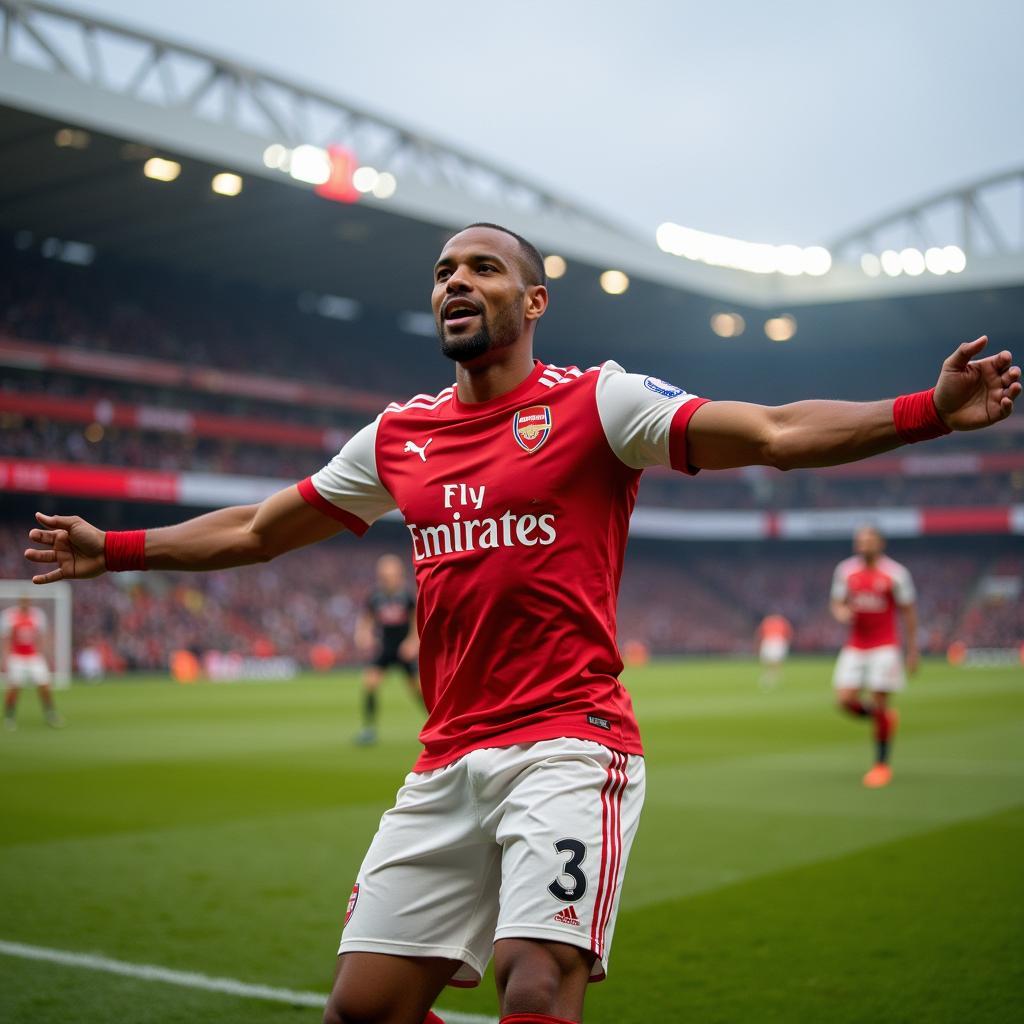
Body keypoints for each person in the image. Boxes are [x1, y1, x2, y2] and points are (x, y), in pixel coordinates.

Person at [23, 223, 1020, 1024]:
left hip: (569, 744)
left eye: (484, 268)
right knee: (359, 1009)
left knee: (531, 984)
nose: (455, 281)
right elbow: (255, 528)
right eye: (443, 270)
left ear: (532, 300)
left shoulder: (599, 403)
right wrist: (113, 550)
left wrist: (924, 411)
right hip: (443, 760)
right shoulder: (398, 436)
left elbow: (768, 433)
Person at [830, 526, 918, 788]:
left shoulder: (896, 574)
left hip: (884, 646)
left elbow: (909, 612)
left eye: (869, 539)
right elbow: (836, 603)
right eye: (860, 540)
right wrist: (841, 613)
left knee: (879, 701)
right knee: (844, 699)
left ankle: (881, 765)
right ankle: (884, 718)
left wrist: (912, 649)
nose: (864, 543)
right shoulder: (845, 571)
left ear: (880, 543)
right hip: (856, 644)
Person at [353, 553, 420, 745]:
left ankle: (437, 725)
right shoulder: (375, 596)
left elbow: (417, 621)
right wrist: (363, 634)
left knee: (418, 690)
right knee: (370, 683)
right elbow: (367, 619)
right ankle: (368, 729)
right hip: (386, 647)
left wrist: (412, 642)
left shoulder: (407, 596)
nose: (386, 579)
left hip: (404, 648)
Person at [2, 596, 62, 729]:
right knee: (14, 688)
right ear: (19, 603)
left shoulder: (36, 616)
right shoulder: (11, 617)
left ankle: (51, 714)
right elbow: (7, 639)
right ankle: (9, 716)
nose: (25, 604)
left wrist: (46, 654)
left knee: (45, 686)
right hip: (17, 657)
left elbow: (41, 637)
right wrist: (5, 658)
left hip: (33, 656)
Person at [756, 612, 793, 688]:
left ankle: (773, 675)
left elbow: (788, 632)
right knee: (768, 659)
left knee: (775, 659)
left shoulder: (780, 621)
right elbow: (761, 632)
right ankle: (772, 673)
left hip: (776, 640)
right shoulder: (769, 621)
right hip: (770, 640)